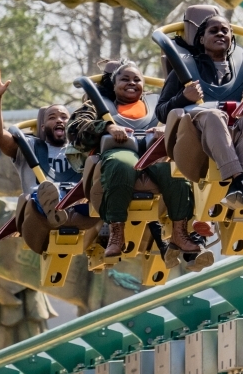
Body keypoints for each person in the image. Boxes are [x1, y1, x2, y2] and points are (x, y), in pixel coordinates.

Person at [68, 61, 206, 261]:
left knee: (175, 170)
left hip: (154, 153)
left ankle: (180, 231)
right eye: (125, 79)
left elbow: (184, 119)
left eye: (136, 79)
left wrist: (166, 129)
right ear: (114, 84)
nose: (131, 83)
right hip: (120, 151)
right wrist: (107, 127)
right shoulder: (98, 104)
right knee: (122, 165)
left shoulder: (157, 103)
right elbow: (74, 129)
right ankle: (116, 232)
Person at [153, 4, 243, 208]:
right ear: (201, 39)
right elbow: (161, 112)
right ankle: (241, 181)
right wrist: (183, 97)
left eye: (225, 31)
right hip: (199, 137)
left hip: (237, 133)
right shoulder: (184, 69)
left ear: (231, 37)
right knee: (213, 114)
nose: (220, 34)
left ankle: (237, 183)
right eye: (213, 31)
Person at [0, 68, 83, 201]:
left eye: (64, 117)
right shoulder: (29, 146)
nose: (59, 120)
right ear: (42, 127)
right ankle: (53, 204)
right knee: (37, 197)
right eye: (52, 117)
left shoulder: (82, 148)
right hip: (40, 205)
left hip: (77, 204)